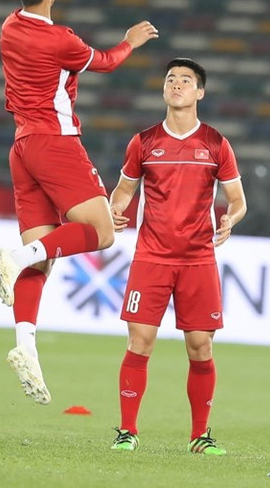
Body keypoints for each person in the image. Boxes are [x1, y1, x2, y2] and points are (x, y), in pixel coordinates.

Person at [0, 0, 158, 405]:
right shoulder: (59, 40)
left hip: (21, 147)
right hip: (55, 143)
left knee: (41, 258)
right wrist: (130, 41)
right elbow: (104, 61)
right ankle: (14, 258)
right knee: (102, 233)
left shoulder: (9, 27)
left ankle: (25, 347)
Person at [107, 58, 247, 455]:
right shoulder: (144, 142)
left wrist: (229, 220)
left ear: (200, 92)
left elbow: (238, 201)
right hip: (151, 256)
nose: (176, 84)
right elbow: (124, 190)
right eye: (171, 79)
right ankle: (127, 431)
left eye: (186, 80)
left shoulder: (216, 144)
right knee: (140, 341)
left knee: (201, 346)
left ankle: (199, 436)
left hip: (198, 258)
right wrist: (115, 209)